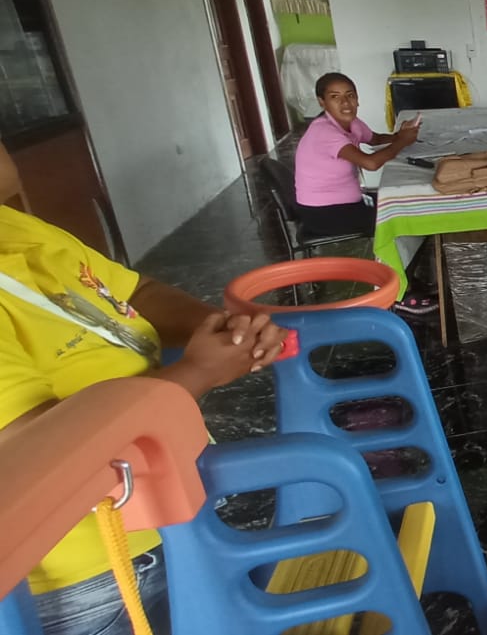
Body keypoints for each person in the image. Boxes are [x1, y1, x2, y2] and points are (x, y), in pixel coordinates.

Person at [0, 141, 286, 635]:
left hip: (173, 511)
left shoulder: (15, 227)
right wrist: (197, 372)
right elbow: (36, 451)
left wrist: (222, 328)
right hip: (97, 576)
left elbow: (135, 293)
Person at [294, 72, 421, 239]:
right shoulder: (324, 132)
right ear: (322, 102)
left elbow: (376, 139)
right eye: (335, 97)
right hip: (324, 214)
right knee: (404, 215)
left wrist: (400, 135)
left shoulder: (351, 122)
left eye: (350, 95)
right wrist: (402, 141)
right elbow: (370, 164)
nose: (345, 102)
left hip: (350, 203)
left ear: (357, 99)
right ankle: (399, 255)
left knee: (404, 202)